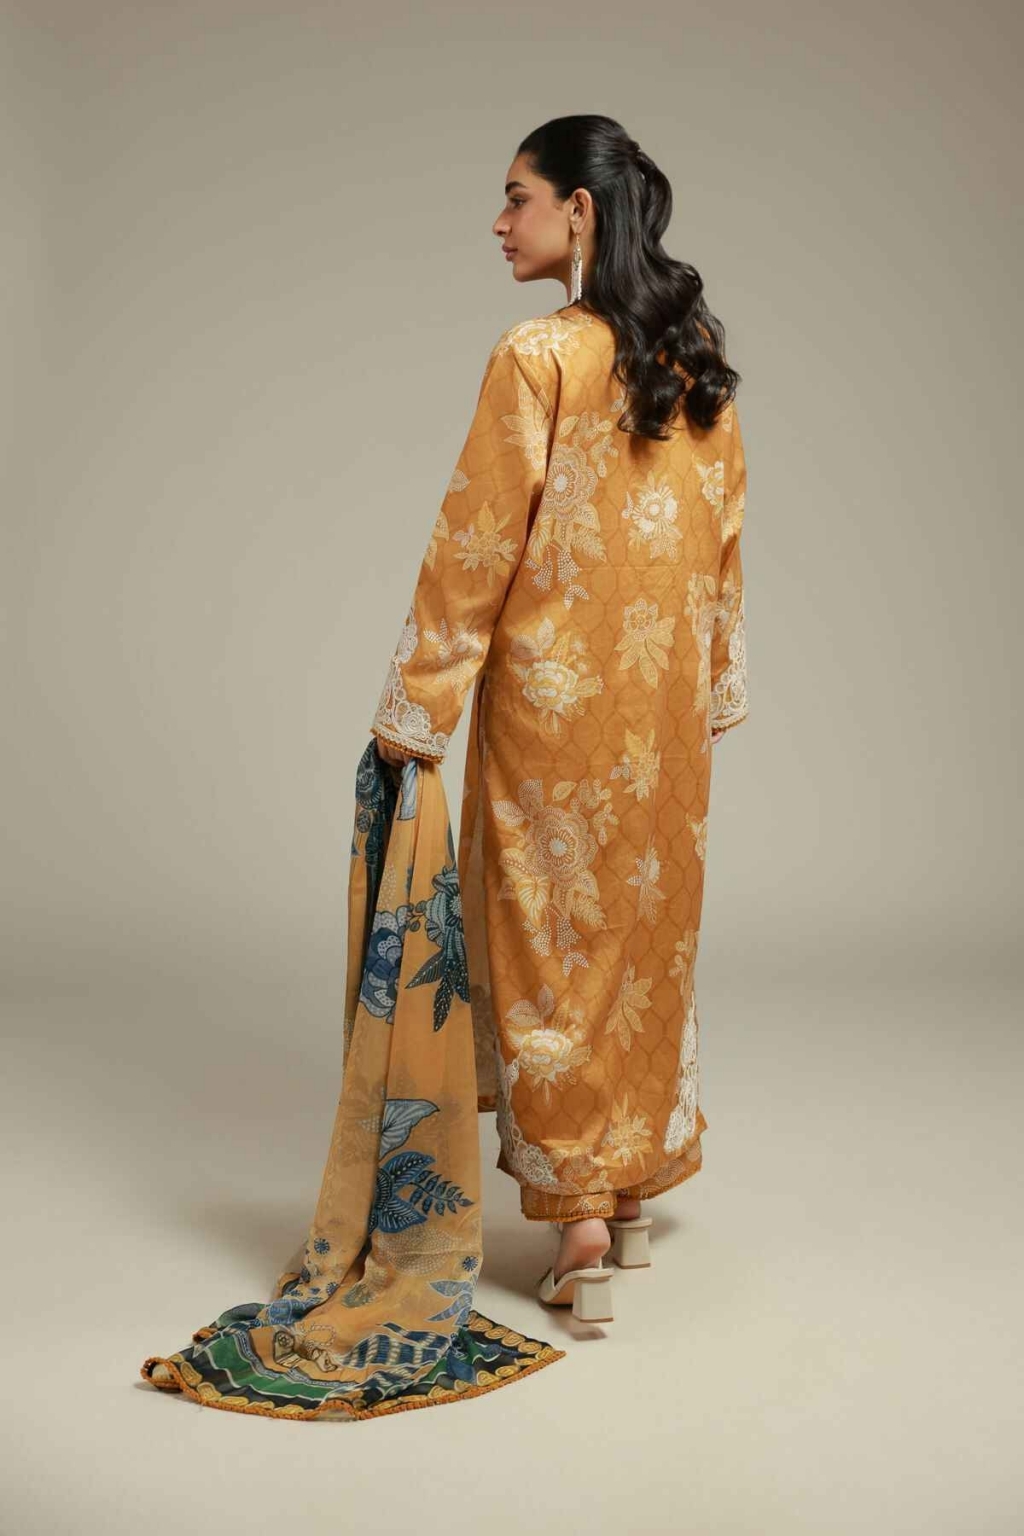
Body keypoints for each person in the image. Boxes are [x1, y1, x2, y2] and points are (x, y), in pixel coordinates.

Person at [370, 114, 747, 1305]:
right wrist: (714, 678)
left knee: (552, 951)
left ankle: (580, 1226)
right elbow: (723, 539)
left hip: (555, 712)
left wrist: (417, 705)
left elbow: (475, 543)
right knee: (640, 942)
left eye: (517, 197)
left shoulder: (535, 353)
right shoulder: (692, 357)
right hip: (664, 717)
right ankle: (626, 1204)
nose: (499, 222)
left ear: (578, 210)